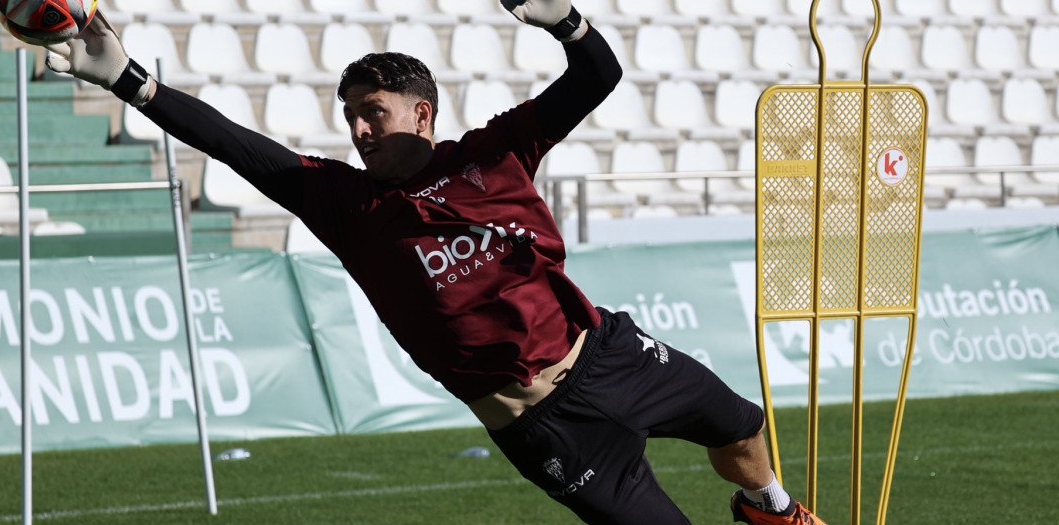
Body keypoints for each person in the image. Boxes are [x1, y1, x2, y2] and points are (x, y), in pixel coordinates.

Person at [45, 1, 826, 523]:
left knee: (745, 427)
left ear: (422, 113)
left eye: (372, 113)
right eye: (350, 116)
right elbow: (235, 146)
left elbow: (598, 77)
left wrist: (563, 18)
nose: (357, 129)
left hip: (608, 353)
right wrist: (129, 81)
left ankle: (772, 510)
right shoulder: (342, 204)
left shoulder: (496, 150)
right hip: (543, 424)